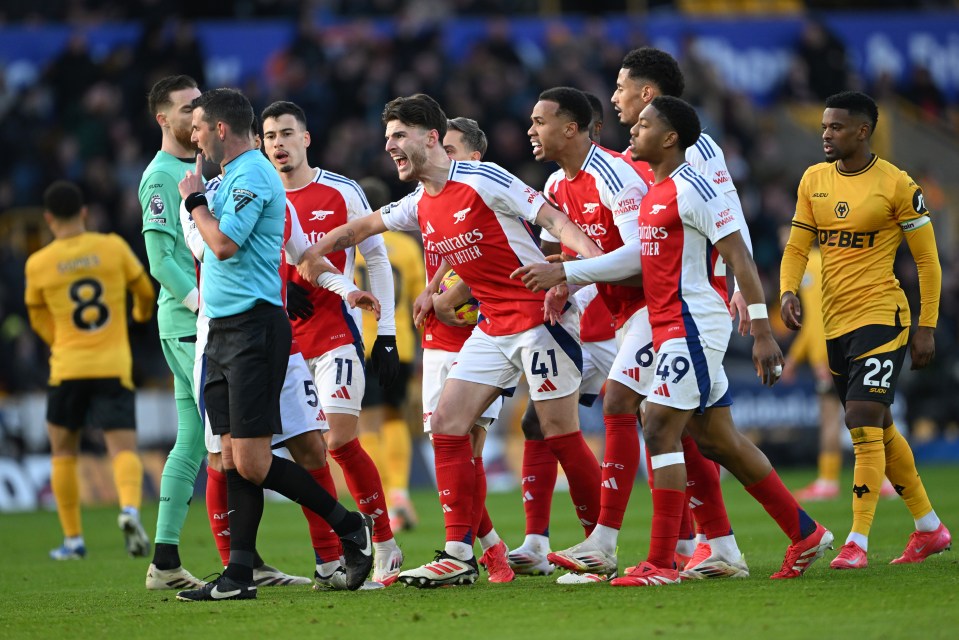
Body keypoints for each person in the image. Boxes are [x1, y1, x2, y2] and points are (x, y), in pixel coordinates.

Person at [520, 96, 834, 586]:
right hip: (666, 325)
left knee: (659, 426)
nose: (633, 130)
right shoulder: (654, 193)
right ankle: (805, 533)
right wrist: (568, 276)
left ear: (670, 138)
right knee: (716, 439)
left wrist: (763, 332)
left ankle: (661, 562)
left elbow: (741, 259)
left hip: (692, 325)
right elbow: (637, 263)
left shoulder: (694, 189)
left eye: (644, 124)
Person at [297, 93, 603, 588]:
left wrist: (585, 269)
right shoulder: (420, 201)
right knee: (446, 422)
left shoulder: (484, 179)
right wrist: (315, 248)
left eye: (399, 135)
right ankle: (460, 555)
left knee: (558, 431)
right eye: (388, 136)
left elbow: (553, 220)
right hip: (493, 326)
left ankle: (599, 546)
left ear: (431, 138)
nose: (389, 145)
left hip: (539, 318)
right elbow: (364, 225)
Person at [173, 88, 373, 601]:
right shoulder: (228, 180)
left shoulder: (253, 175)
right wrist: (197, 204)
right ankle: (239, 575)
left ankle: (349, 526)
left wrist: (193, 202)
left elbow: (222, 244)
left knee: (255, 461)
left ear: (219, 128)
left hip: (255, 330)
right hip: (220, 331)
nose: (192, 135)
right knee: (237, 458)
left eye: (198, 126)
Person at [781, 91, 951, 569]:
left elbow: (927, 261)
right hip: (834, 321)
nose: (826, 134)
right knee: (881, 426)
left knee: (860, 418)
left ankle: (857, 540)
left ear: (862, 131)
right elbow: (796, 247)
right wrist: (789, 291)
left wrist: (926, 326)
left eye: (835, 127)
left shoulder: (897, 185)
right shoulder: (813, 179)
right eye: (823, 127)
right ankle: (929, 528)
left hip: (883, 315)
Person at [609, 46, 754, 570]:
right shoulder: (632, 156)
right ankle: (709, 543)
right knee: (695, 430)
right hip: (658, 303)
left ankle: (668, 548)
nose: (615, 96)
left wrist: (740, 287)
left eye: (622, 86)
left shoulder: (700, 152)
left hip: (693, 303)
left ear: (648, 94)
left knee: (655, 417)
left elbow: (729, 222)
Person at [260, 100, 404, 587]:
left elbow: (377, 260)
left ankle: (383, 543)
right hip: (281, 342)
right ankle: (330, 559)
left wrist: (385, 335)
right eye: (269, 137)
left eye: (286, 134)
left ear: (306, 138)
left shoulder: (341, 190)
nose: (278, 144)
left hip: (335, 335)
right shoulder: (257, 192)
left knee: (339, 440)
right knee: (308, 454)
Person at [517, 87, 648, 584]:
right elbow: (560, 259)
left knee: (673, 424)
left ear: (570, 128)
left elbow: (640, 257)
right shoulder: (554, 183)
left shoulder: (614, 175)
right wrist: (561, 285)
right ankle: (537, 542)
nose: (530, 130)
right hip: (594, 323)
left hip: (637, 317)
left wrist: (570, 281)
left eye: (539, 121)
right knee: (538, 421)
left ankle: (687, 542)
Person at [25, 180, 155, 560]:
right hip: (113, 364)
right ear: (84, 213)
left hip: (67, 367)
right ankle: (129, 509)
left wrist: (56, 340)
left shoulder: (39, 263)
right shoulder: (111, 247)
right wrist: (138, 316)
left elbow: (35, 315)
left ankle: (73, 540)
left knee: (63, 452)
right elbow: (144, 290)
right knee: (122, 448)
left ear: (48, 218)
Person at [410, 116, 514, 583]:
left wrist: (448, 295)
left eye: (451, 150)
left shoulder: (486, 195)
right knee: (450, 447)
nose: (442, 158)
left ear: (474, 156)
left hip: (479, 335)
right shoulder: (431, 195)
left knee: (468, 445)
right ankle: (490, 547)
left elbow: (489, 258)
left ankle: (477, 552)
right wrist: (431, 291)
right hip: (438, 335)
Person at [138, 75, 209, 589]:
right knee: (226, 435)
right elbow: (161, 260)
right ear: (164, 119)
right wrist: (204, 305)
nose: (197, 116)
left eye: (200, 105)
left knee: (192, 440)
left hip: (195, 321)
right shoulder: (162, 175)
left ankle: (164, 562)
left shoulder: (201, 168)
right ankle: (243, 560)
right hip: (191, 321)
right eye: (187, 109)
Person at [353, 176, 424, 534]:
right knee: (396, 419)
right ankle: (399, 493)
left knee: (368, 424)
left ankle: (383, 503)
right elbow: (418, 298)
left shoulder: (354, 245)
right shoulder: (407, 247)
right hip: (401, 346)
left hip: (366, 344)